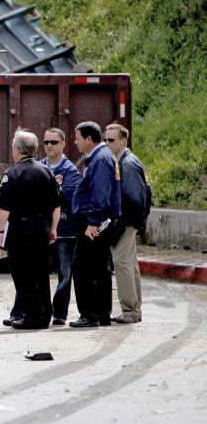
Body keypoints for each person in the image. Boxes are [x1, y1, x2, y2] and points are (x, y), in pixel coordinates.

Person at [3, 127, 81, 326]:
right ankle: (20, 312)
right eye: (46, 142)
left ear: (63, 144)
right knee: (31, 272)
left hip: (63, 228)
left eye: (54, 142)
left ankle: (58, 314)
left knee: (63, 275)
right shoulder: (41, 167)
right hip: (41, 229)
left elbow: (65, 199)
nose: (49, 146)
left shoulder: (69, 170)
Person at [0, 129, 61, 329]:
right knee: (41, 273)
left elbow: (3, 208)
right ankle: (44, 316)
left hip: (20, 231)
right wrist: (53, 228)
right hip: (41, 229)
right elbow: (56, 204)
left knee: (23, 274)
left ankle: (32, 317)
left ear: (16, 150)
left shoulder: (12, 174)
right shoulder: (46, 171)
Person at [69, 121, 121, 328]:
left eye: (77, 138)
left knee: (83, 268)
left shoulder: (99, 159)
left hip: (95, 223)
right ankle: (101, 314)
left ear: (88, 139)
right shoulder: (103, 156)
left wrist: (92, 222)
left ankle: (90, 314)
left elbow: (100, 193)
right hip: (99, 221)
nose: (75, 142)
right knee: (99, 269)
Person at [105, 123, 152, 324]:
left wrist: (125, 223)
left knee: (122, 264)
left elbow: (135, 198)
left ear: (124, 140)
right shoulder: (122, 161)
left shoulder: (128, 164)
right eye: (105, 139)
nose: (107, 143)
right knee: (129, 265)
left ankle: (130, 311)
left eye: (111, 140)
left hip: (126, 223)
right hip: (128, 222)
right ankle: (133, 309)